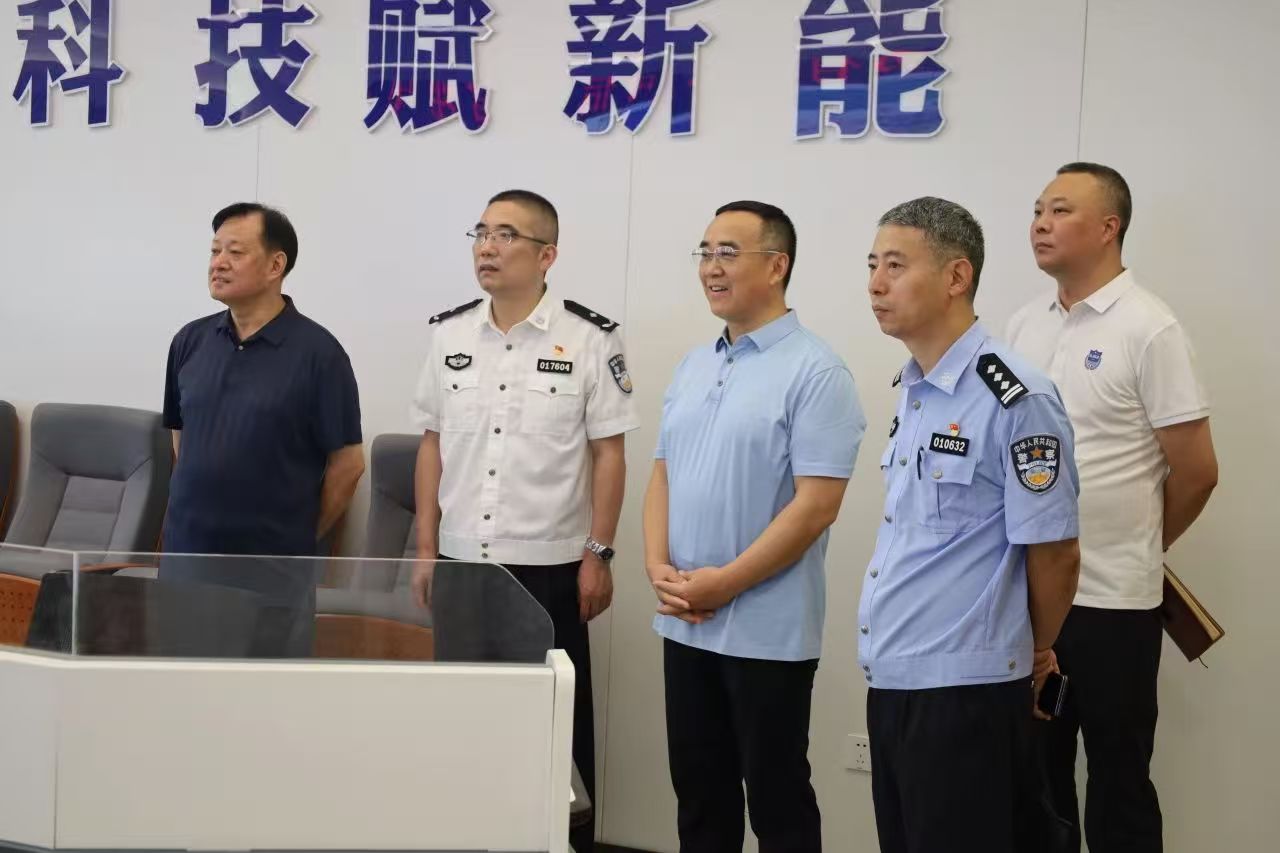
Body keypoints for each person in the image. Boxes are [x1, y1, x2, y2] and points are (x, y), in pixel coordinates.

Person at [409, 189, 637, 853]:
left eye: (507, 235)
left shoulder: (591, 337)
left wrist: (599, 552)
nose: (488, 247)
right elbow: (432, 444)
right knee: (463, 721)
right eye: (481, 232)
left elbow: (609, 453)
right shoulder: (449, 333)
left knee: (555, 727)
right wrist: (424, 548)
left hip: (549, 568)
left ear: (547, 255)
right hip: (462, 563)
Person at [1007, 163, 1219, 853]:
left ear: (1109, 226)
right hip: (1032, 597)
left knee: (1119, 781)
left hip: (1112, 604)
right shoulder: (1022, 326)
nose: (1040, 223)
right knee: (1037, 778)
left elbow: (1197, 472)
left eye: (1059, 210)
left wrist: (1139, 542)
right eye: (1037, 210)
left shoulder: (1149, 327)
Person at [860, 196, 1081, 853]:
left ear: (956, 276)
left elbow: (1055, 549)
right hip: (894, 678)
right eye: (872, 265)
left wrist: (1035, 650)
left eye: (895, 265)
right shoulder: (915, 390)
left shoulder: (1015, 395)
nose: (875, 284)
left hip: (966, 690)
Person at [644, 200, 865, 853]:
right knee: (699, 796)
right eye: (705, 252)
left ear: (777, 266)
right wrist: (657, 565)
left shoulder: (817, 370)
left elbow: (816, 506)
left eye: (728, 253)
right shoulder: (695, 363)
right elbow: (663, 473)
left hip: (767, 630)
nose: (711, 267)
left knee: (778, 801)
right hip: (684, 616)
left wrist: (726, 583)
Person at [162, 202, 365, 655]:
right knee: (182, 684)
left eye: (235, 252)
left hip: (272, 572)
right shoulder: (189, 341)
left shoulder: (320, 354)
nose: (218, 263)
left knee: (263, 690)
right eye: (214, 250)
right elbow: (182, 438)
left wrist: (296, 536)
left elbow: (349, 465)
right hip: (187, 558)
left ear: (276, 265)